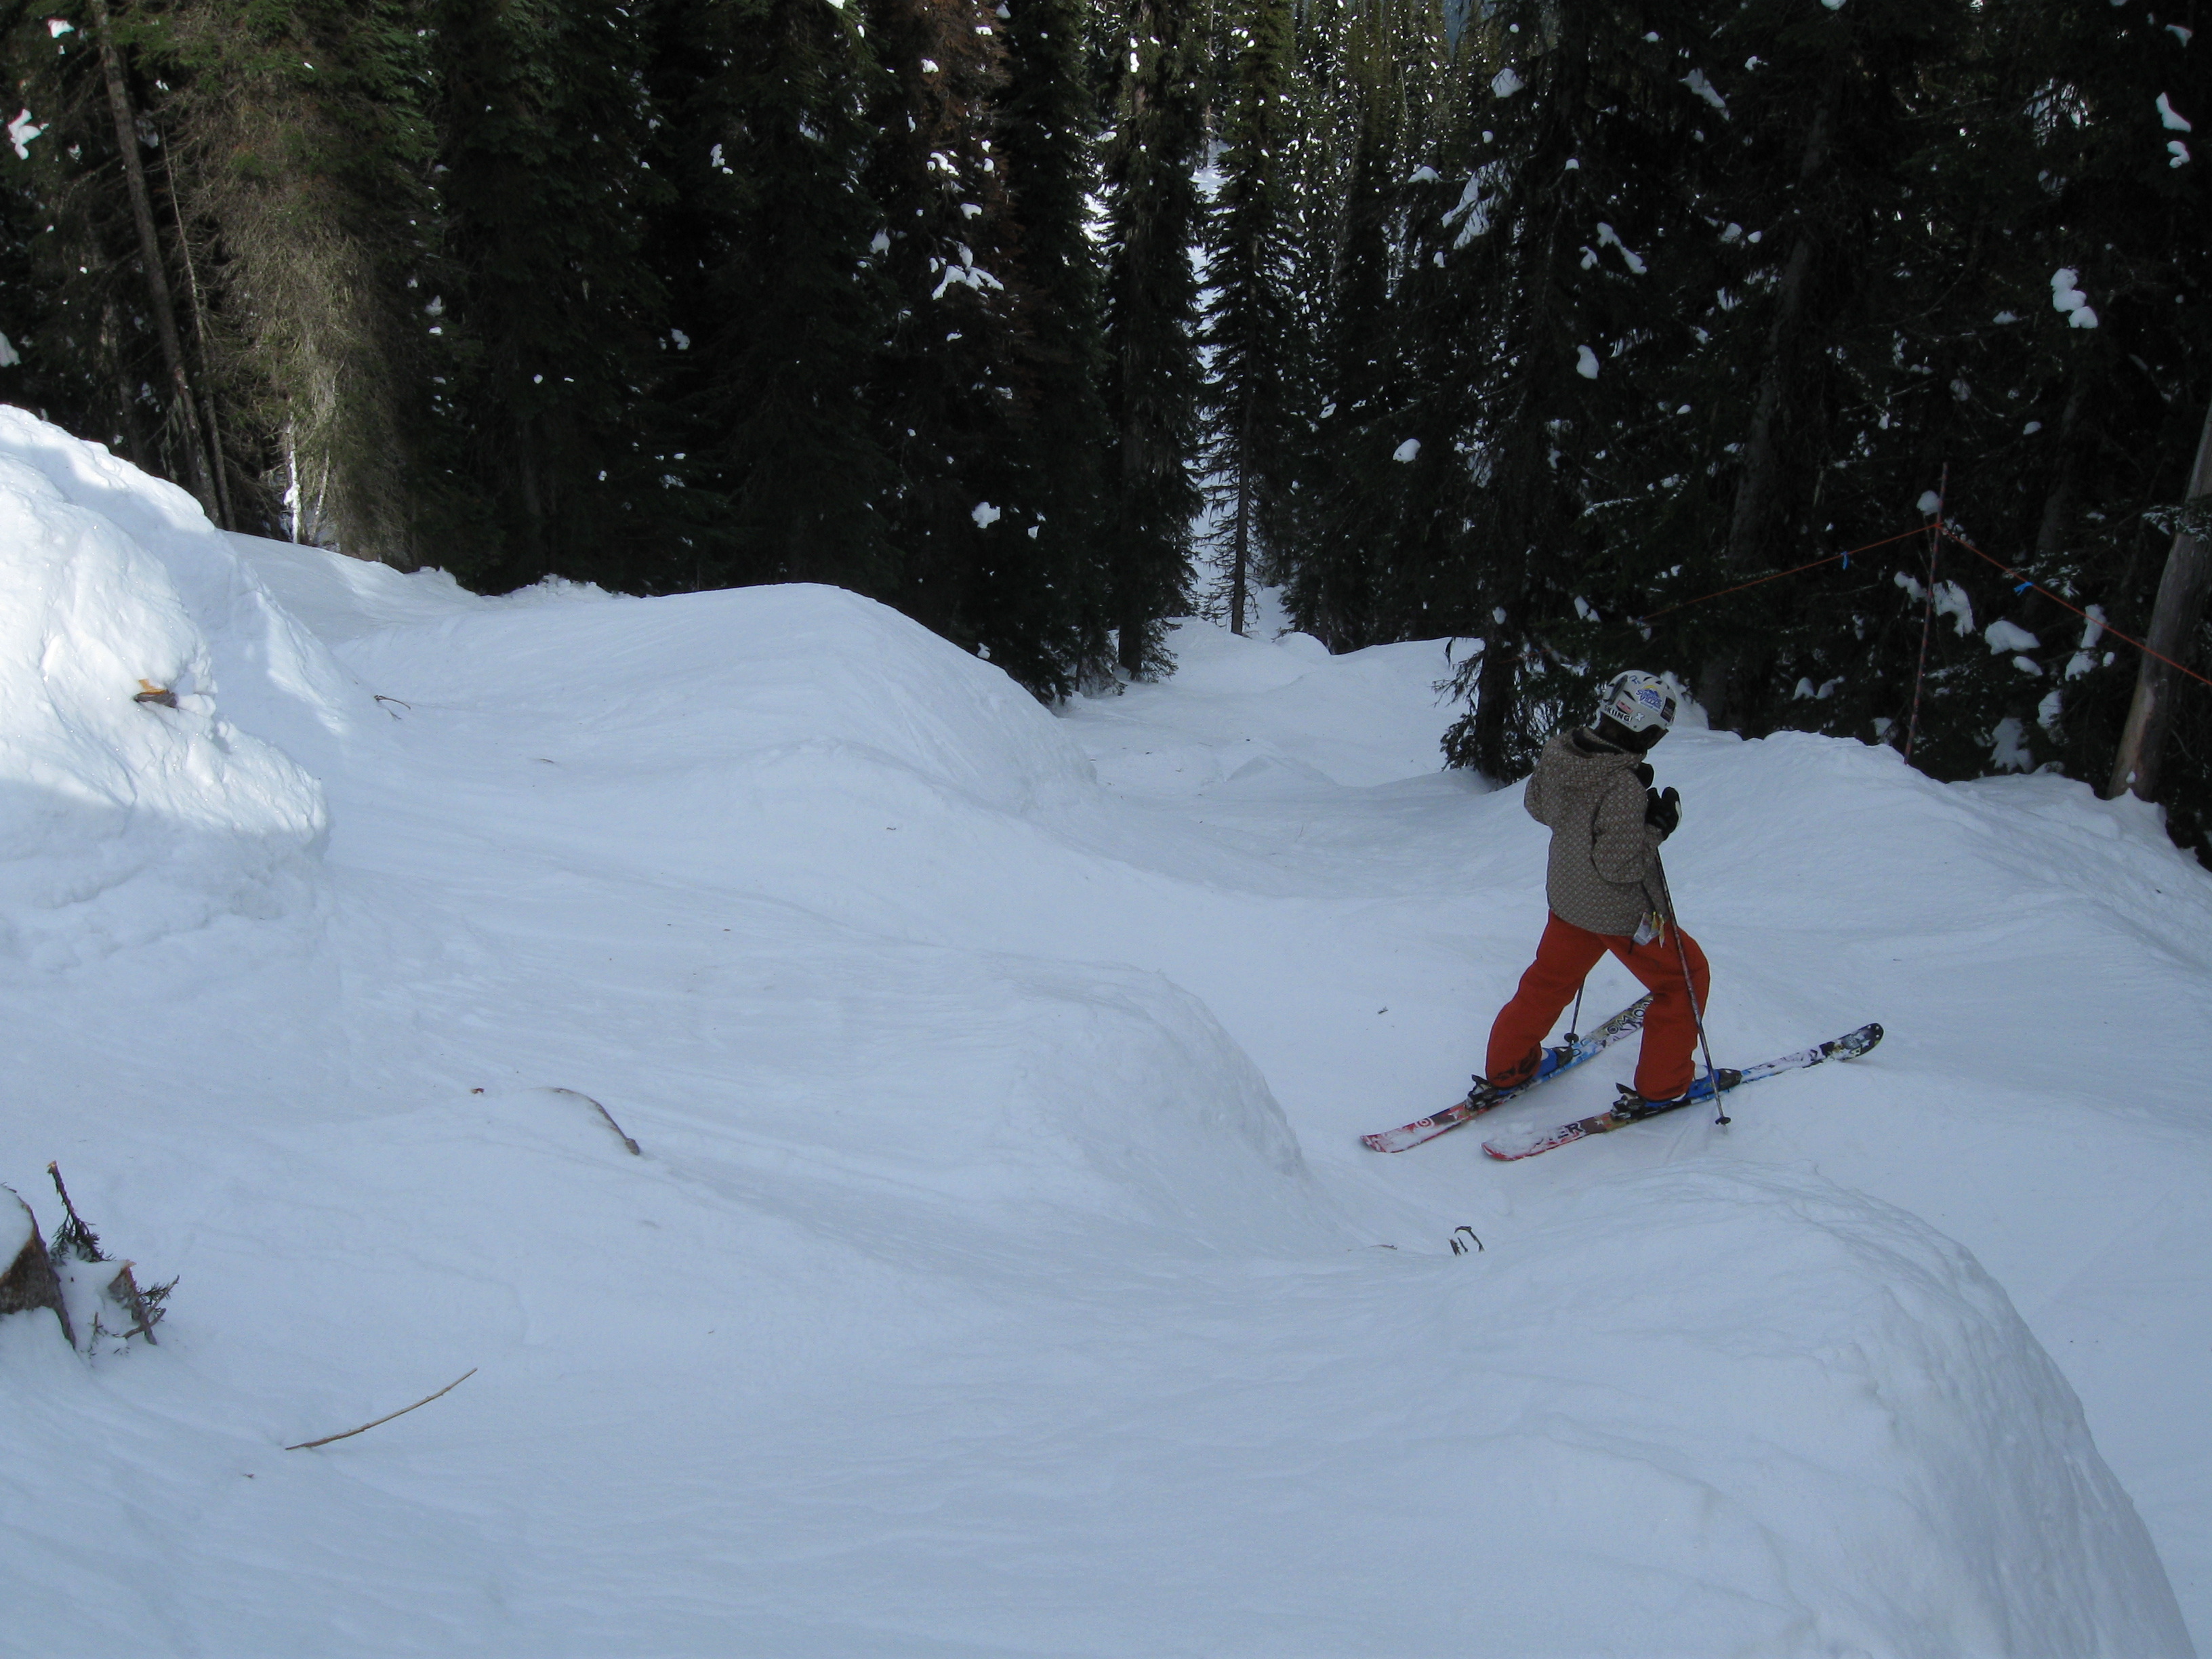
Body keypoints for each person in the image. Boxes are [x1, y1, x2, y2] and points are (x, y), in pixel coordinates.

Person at [1481, 670, 1708, 1109]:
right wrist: (1657, 826)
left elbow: (1536, 806)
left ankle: (1508, 1067)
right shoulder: (1622, 788)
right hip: (1620, 915)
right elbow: (1619, 867)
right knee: (1686, 979)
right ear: (1648, 731)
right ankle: (1663, 1087)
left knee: (1547, 983)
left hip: (1568, 899)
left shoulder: (1562, 752)